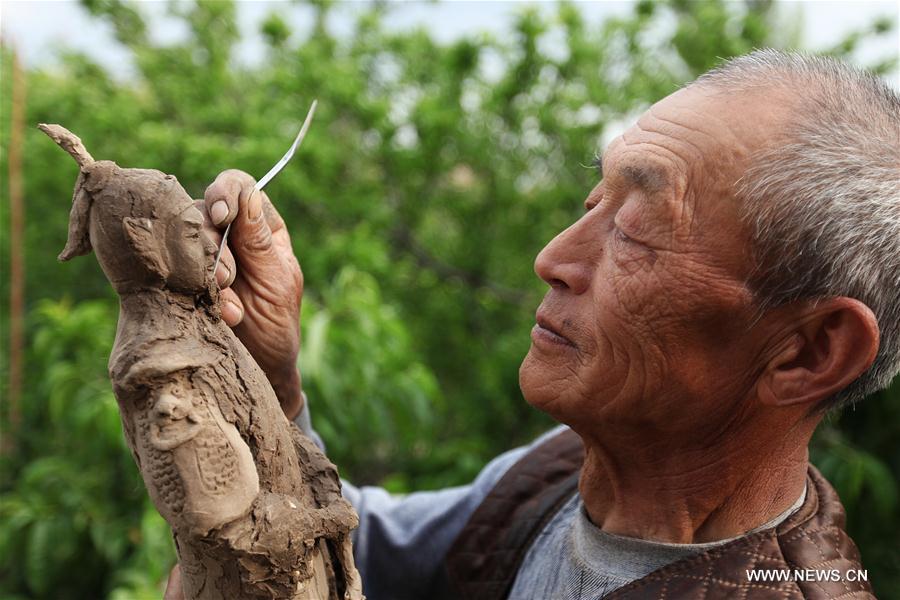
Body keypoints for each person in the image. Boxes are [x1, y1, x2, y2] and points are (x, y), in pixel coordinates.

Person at [167, 50, 898, 599]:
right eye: (592, 205)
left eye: (638, 232)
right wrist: (270, 382)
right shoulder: (558, 479)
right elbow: (362, 547)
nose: (552, 258)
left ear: (809, 350)